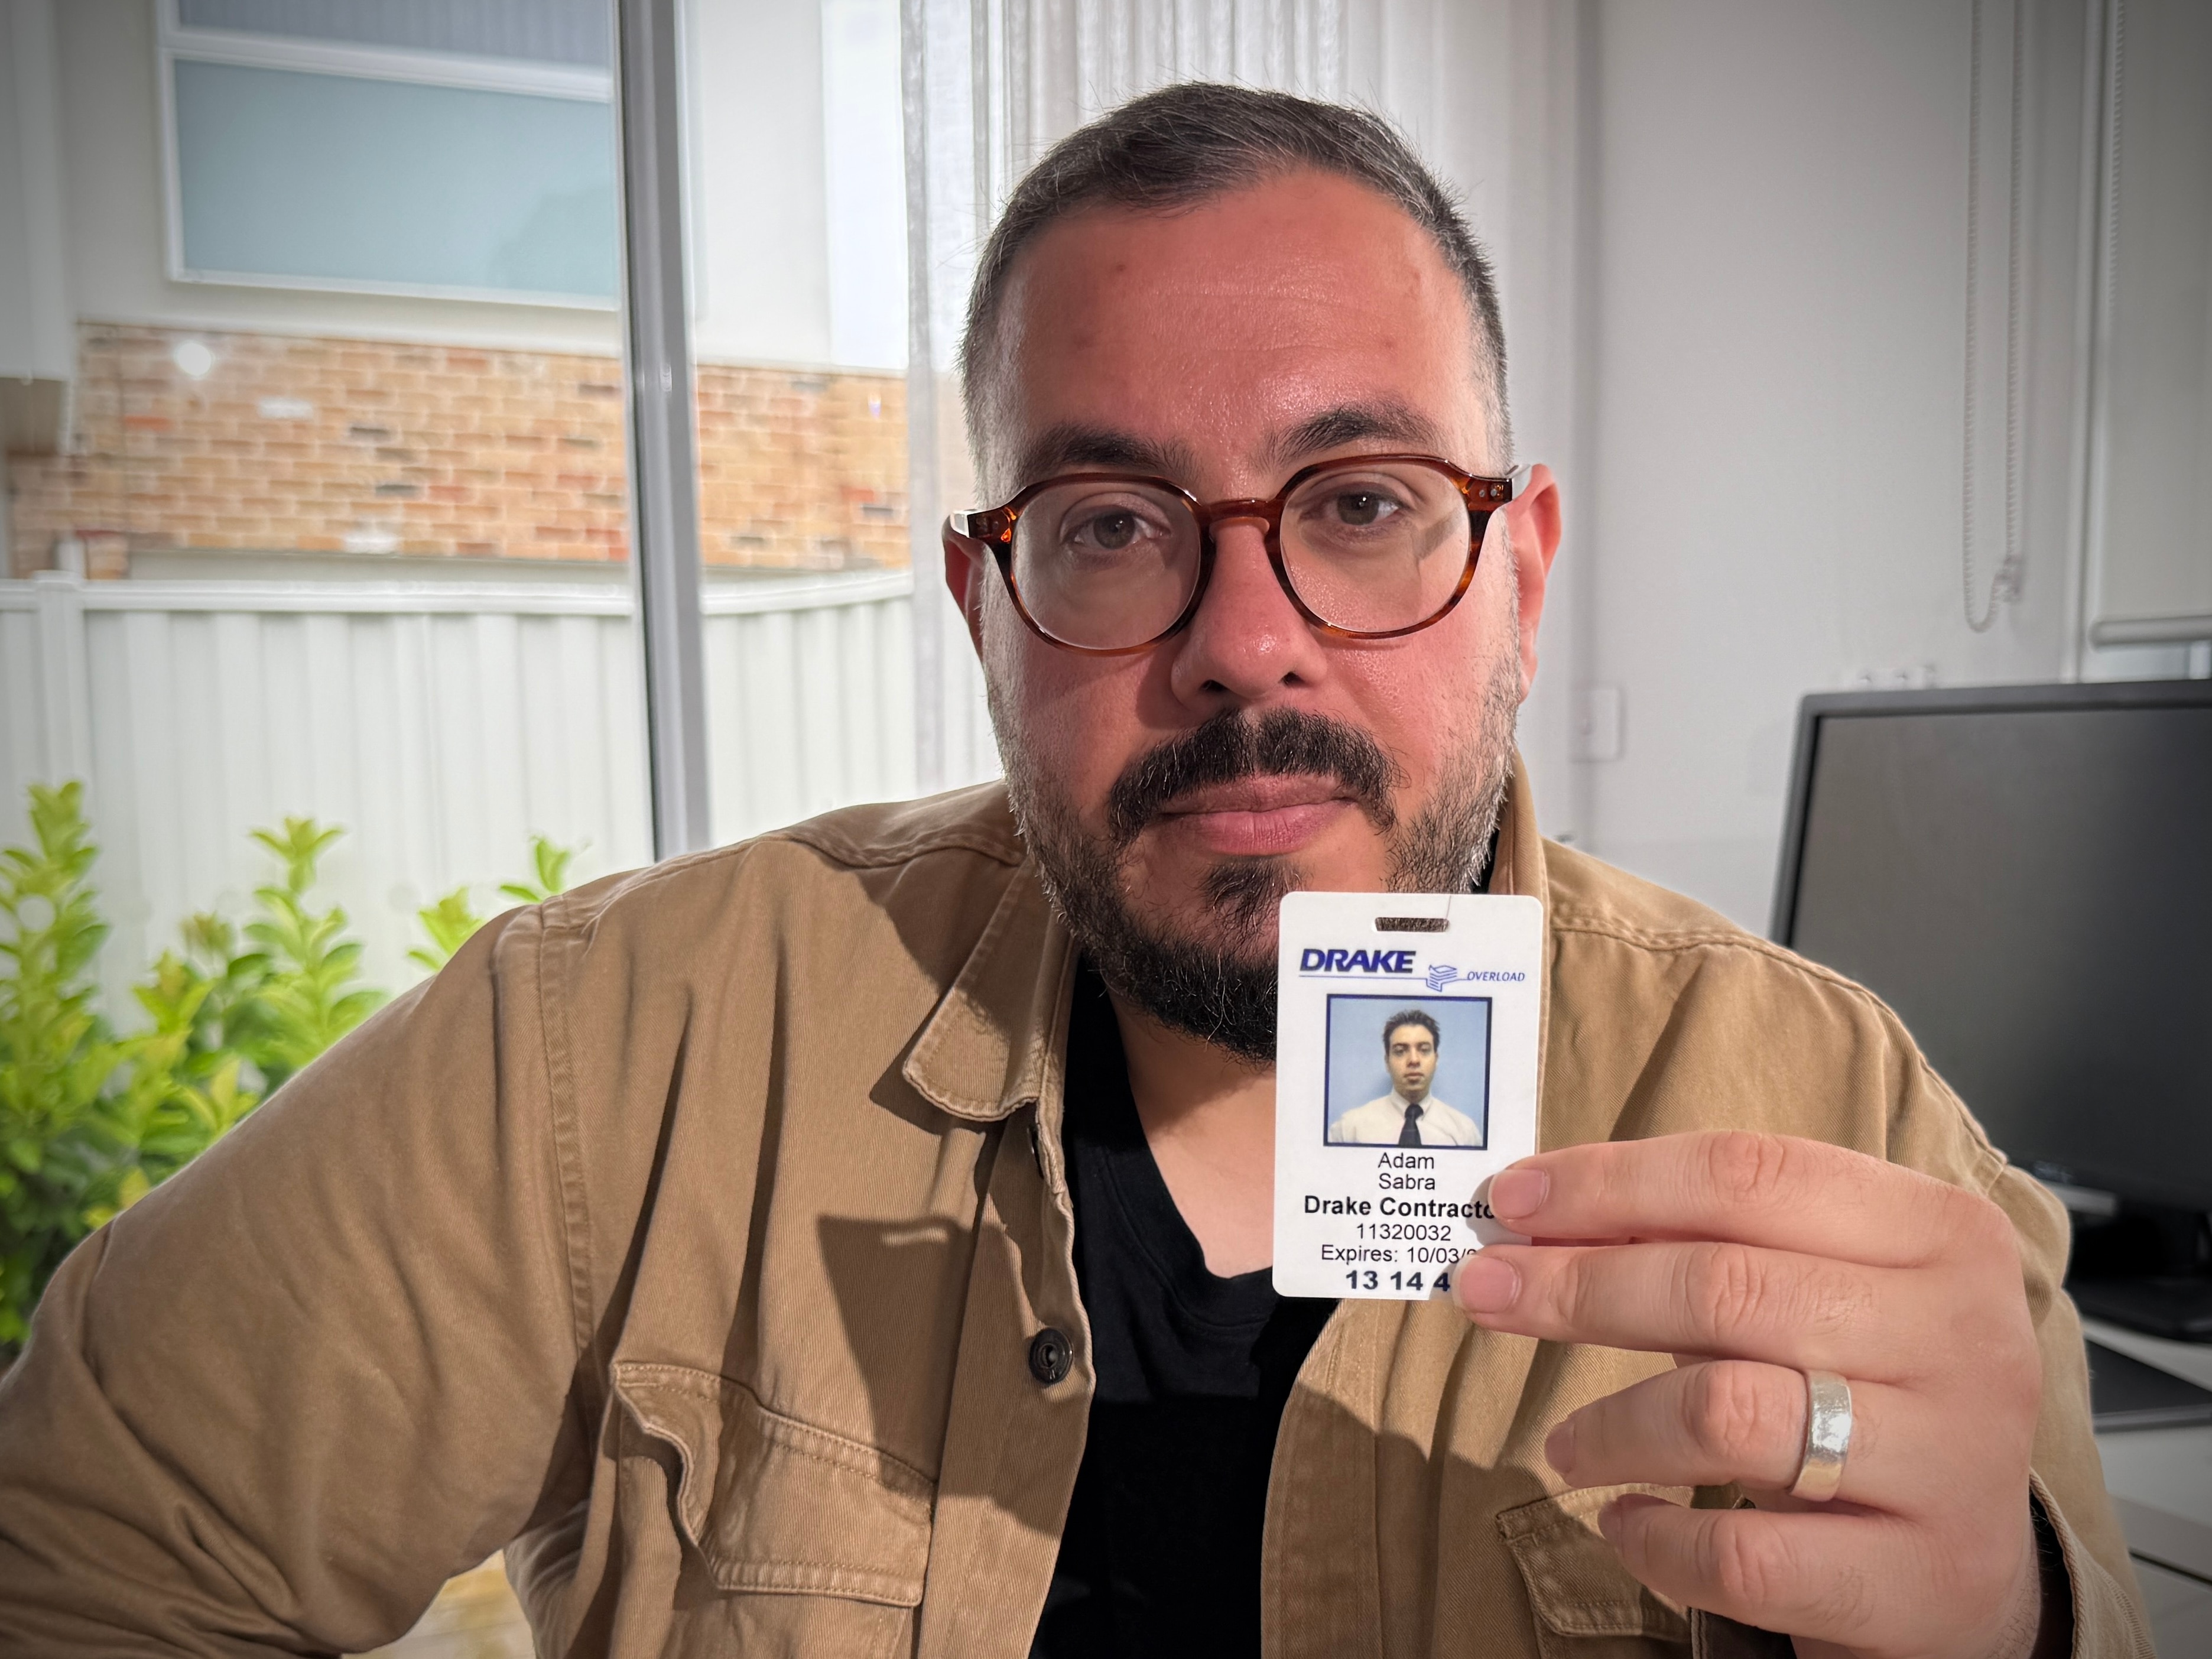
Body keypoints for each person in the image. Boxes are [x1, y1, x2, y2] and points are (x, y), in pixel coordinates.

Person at [0, 83, 2150, 1659]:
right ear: (982, 598)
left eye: (1367, 500)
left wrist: (2024, 1625)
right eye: (1112, 522)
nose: (1242, 641)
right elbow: (71, 1552)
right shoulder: (620, 1046)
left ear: (1524, 572)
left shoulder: (1837, 1117)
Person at [1327, 1009, 1482, 1146]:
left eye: (1424, 1050)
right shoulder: (1349, 1130)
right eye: (1400, 1051)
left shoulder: (1465, 1132)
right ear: (1387, 1061)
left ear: (1436, 1059)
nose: (1414, 1060)